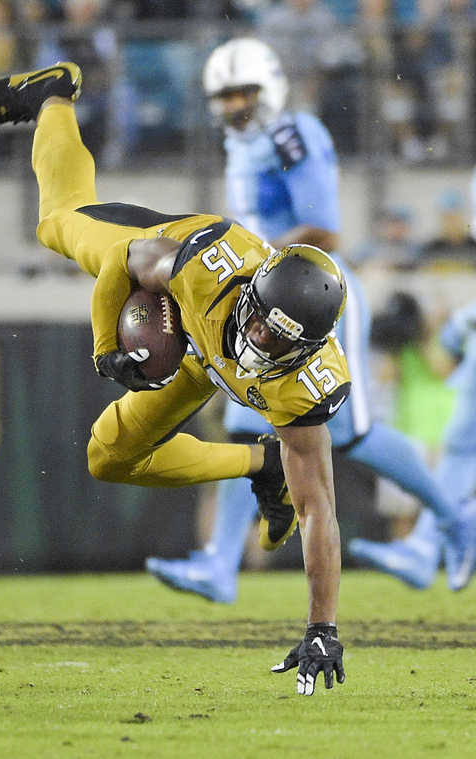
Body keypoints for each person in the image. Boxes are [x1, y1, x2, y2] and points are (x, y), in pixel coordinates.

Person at [0, 61, 355, 696]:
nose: (258, 339)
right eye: (259, 322)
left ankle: (262, 465)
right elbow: (124, 260)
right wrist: (102, 348)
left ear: (306, 346)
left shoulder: (306, 386)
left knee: (109, 457)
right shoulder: (208, 266)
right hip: (162, 271)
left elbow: (320, 512)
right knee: (57, 222)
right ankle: (54, 93)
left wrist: (323, 627)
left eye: (277, 339)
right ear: (252, 294)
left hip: (202, 362)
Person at [144, 38, 473, 603]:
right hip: (263, 300)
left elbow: (324, 228)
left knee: (354, 435)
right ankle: (221, 564)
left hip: (316, 296)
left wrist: (244, 256)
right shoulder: (246, 145)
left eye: (244, 92)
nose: (235, 105)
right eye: (225, 96)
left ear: (269, 86)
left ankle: (453, 521)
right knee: (248, 428)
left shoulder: (291, 135)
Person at [350, 298, 476, 586]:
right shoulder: (402, 347)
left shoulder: (437, 344)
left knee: (443, 501)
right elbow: (385, 378)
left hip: (440, 431)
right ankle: (406, 557)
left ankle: (436, 554)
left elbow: (444, 369)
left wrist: (423, 338)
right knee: (402, 509)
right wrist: (399, 344)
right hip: (409, 431)